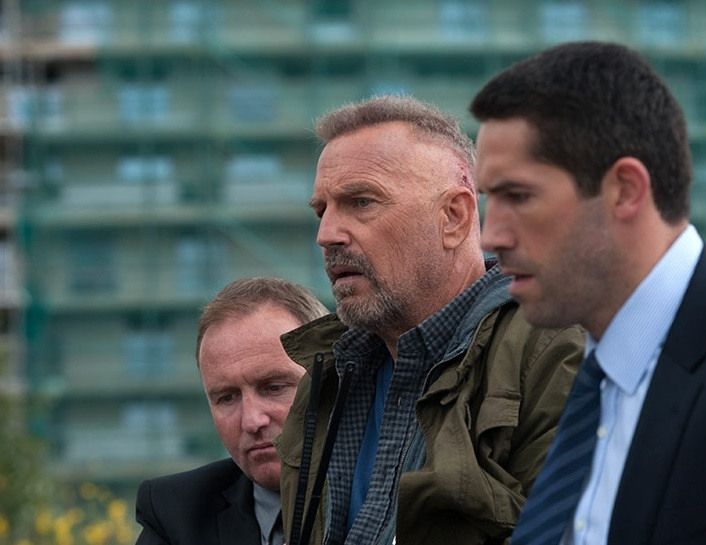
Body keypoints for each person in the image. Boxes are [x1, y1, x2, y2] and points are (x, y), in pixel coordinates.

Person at [276, 95, 584, 545]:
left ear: (454, 217)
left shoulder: (553, 349)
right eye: (323, 210)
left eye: (361, 202)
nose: (327, 234)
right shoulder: (327, 377)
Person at [471, 41, 706, 545]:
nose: (491, 236)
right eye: (489, 199)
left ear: (625, 190)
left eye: (517, 196)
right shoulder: (599, 378)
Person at [134, 277, 329, 545]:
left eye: (274, 387)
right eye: (227, 398)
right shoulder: (176, 514)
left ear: (332, 381)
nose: (251, 421)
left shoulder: (383, 497)